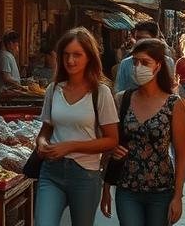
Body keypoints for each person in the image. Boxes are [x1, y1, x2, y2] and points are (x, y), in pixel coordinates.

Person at [34, 27, 120, 226]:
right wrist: (42, 143)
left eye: (77, 55)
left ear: (89, 57)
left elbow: (111, 140)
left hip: (85, 174)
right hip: (51, 171)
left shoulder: (101, 93)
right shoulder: (53, 89)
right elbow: (45, 129)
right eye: (66, 55)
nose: (70, 61)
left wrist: (70, 146)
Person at [102, 38, 185, 226]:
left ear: (158, 65)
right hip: (127, 188)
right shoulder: (122, 100)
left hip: (161, 190)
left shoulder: (173, 104)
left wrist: (178, 196)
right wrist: (106, 186)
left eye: (145, 62)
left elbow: (181, 154)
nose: (138, 67)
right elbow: (109, 142)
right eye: (135, 62)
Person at [116, 21, 177, 92]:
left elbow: (170, 87)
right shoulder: (126, 63)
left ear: (154, 39)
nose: (140, 42)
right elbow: (119, 90)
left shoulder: (168, 62)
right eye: (137, 38)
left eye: (144, 38)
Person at [0, 31, 24, 101]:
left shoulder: (7, 55)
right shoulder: (4, 56)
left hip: (8, 93)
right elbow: (6, 77)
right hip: (3, 94)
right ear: (10, 43)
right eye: (16, 45)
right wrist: (19, 85)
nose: (17, 49)